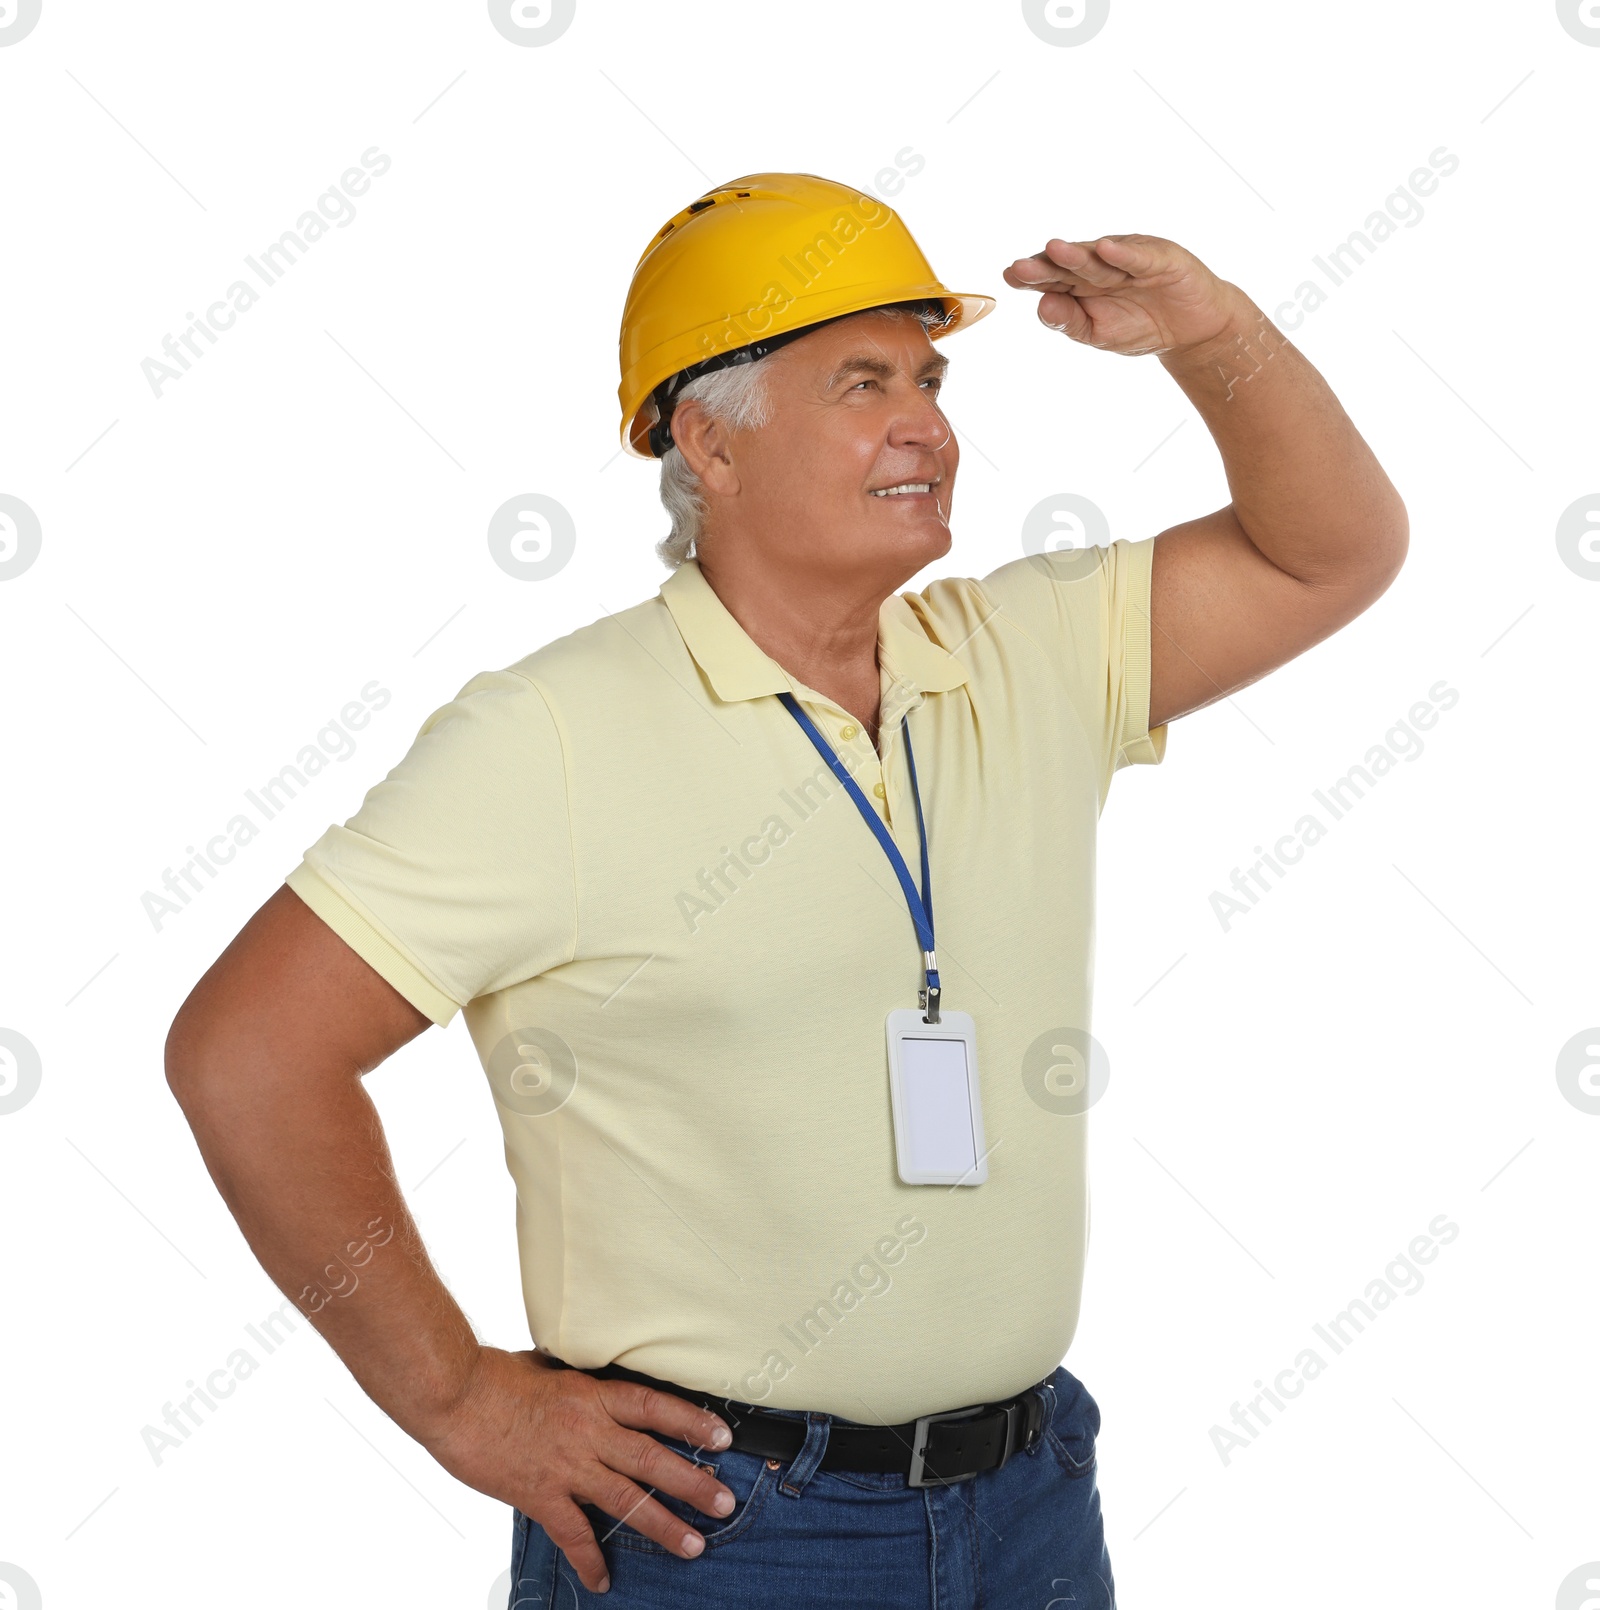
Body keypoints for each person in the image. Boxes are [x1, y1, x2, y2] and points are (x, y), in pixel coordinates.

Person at [165, 172, 1407, 1607]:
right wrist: (459, 1399)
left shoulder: (1030, 653)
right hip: (718, 1534)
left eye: (931, 379)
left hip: (1032, 1505)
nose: (927, 423)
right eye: (862, 381)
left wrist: (1213, 331)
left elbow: (1333, 549)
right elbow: (249, 1053)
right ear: (710, 438)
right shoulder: (552, 737)